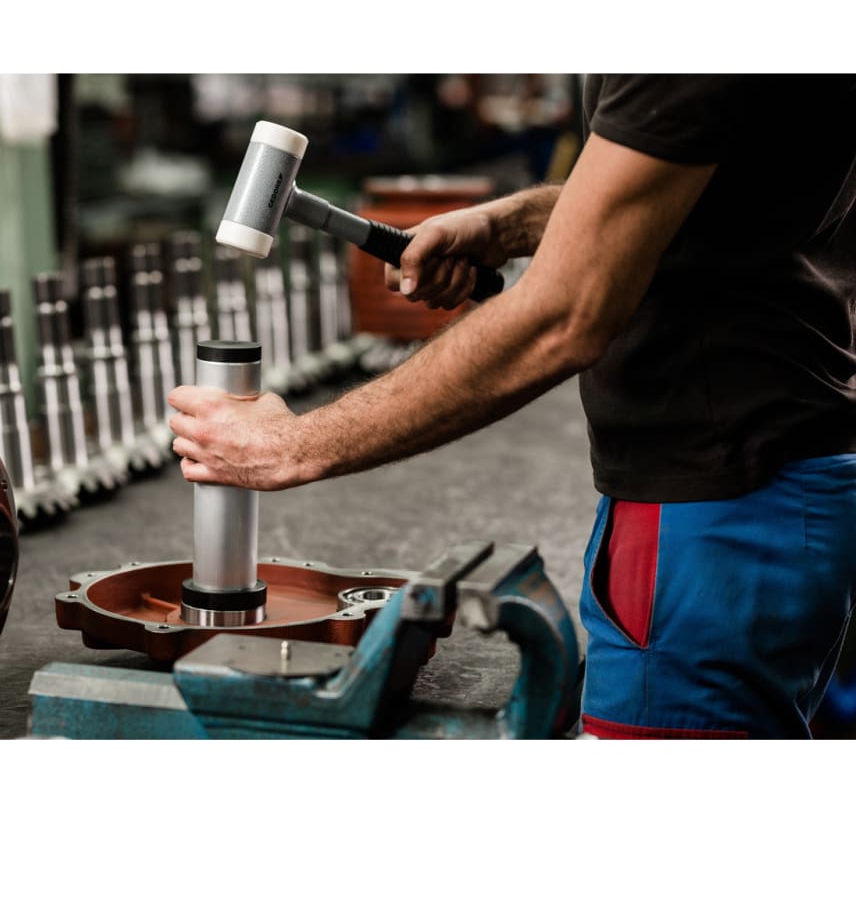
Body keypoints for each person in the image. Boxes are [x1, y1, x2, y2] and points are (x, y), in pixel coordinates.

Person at [168, 75, 856, 739]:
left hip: (716, 515)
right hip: (767, 482)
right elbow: (702, 187)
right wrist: (509, 222)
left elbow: (561, 315)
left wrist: (290, 446)